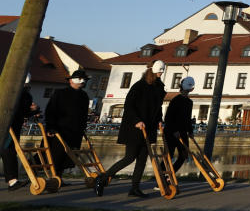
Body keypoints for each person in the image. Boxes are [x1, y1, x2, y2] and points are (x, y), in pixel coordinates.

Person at [95, 61, 166, 198]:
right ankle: (103, 178)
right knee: (130, 157)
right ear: (152, 70)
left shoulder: (159, 87)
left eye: (162, 71)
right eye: (159, 71)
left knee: (142, 159)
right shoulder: (139, 86)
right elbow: (129, 106)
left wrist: (160, 120)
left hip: (149, 128)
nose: (161, 73)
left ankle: (134, 188)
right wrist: (136, 121)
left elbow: (158, 107)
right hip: (134, 128)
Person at [45, 69, 92, 177]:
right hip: (60, 130)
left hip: (75, 131)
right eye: (79, 79)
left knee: (69, 155)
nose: (82, 82)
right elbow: (51, 110)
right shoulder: (60, 93)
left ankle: (59, 177)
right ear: (71, 81)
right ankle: (53, 177)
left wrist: (83, 127)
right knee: (56, 154)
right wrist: (50, 127)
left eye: (84, 80)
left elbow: (84, 114)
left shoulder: (84, 96)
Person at [3, 73, 38, 191]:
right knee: (9, 151)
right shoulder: (14, 93)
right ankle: (12, 181)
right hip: (7, 126)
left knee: (10, 152)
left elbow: (23, 113)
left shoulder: (26, 95)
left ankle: (12, 181)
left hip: (13, 126)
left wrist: (33, 111)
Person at [163, 76, 195, 173]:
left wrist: (190, 131)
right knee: (169, 155)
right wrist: (174, 131)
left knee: (184, 155)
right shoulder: (175, 100)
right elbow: (168, 118)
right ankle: (161, 176)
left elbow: (188, 119)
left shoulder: (189, 102)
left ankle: (170, 175)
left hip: (183, 132)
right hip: (171, 132)